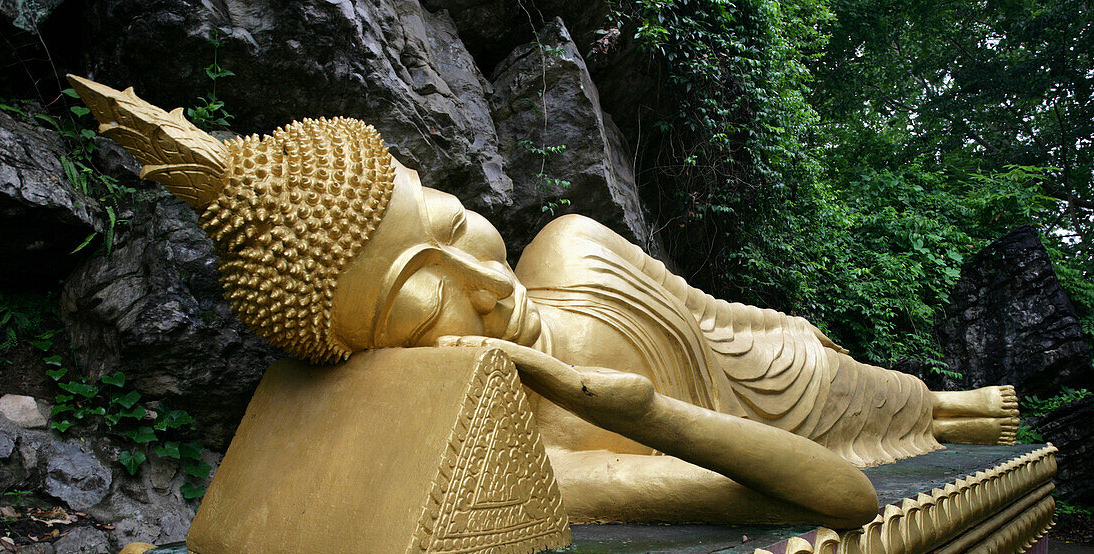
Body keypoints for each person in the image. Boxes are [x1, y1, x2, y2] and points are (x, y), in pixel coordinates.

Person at [70, 76, 1019, 529]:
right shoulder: (537, 458)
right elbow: (837, 495)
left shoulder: (568, 244)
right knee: (865, 413)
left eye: (454, 221)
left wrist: (797, 341)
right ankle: (941, 411)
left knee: (857, 380)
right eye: (420, 309)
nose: (487, 288)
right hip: (740, 419)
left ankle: (939, 406)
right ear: (376, 363)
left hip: (775, 366)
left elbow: (721, 314)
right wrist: (645, 415)